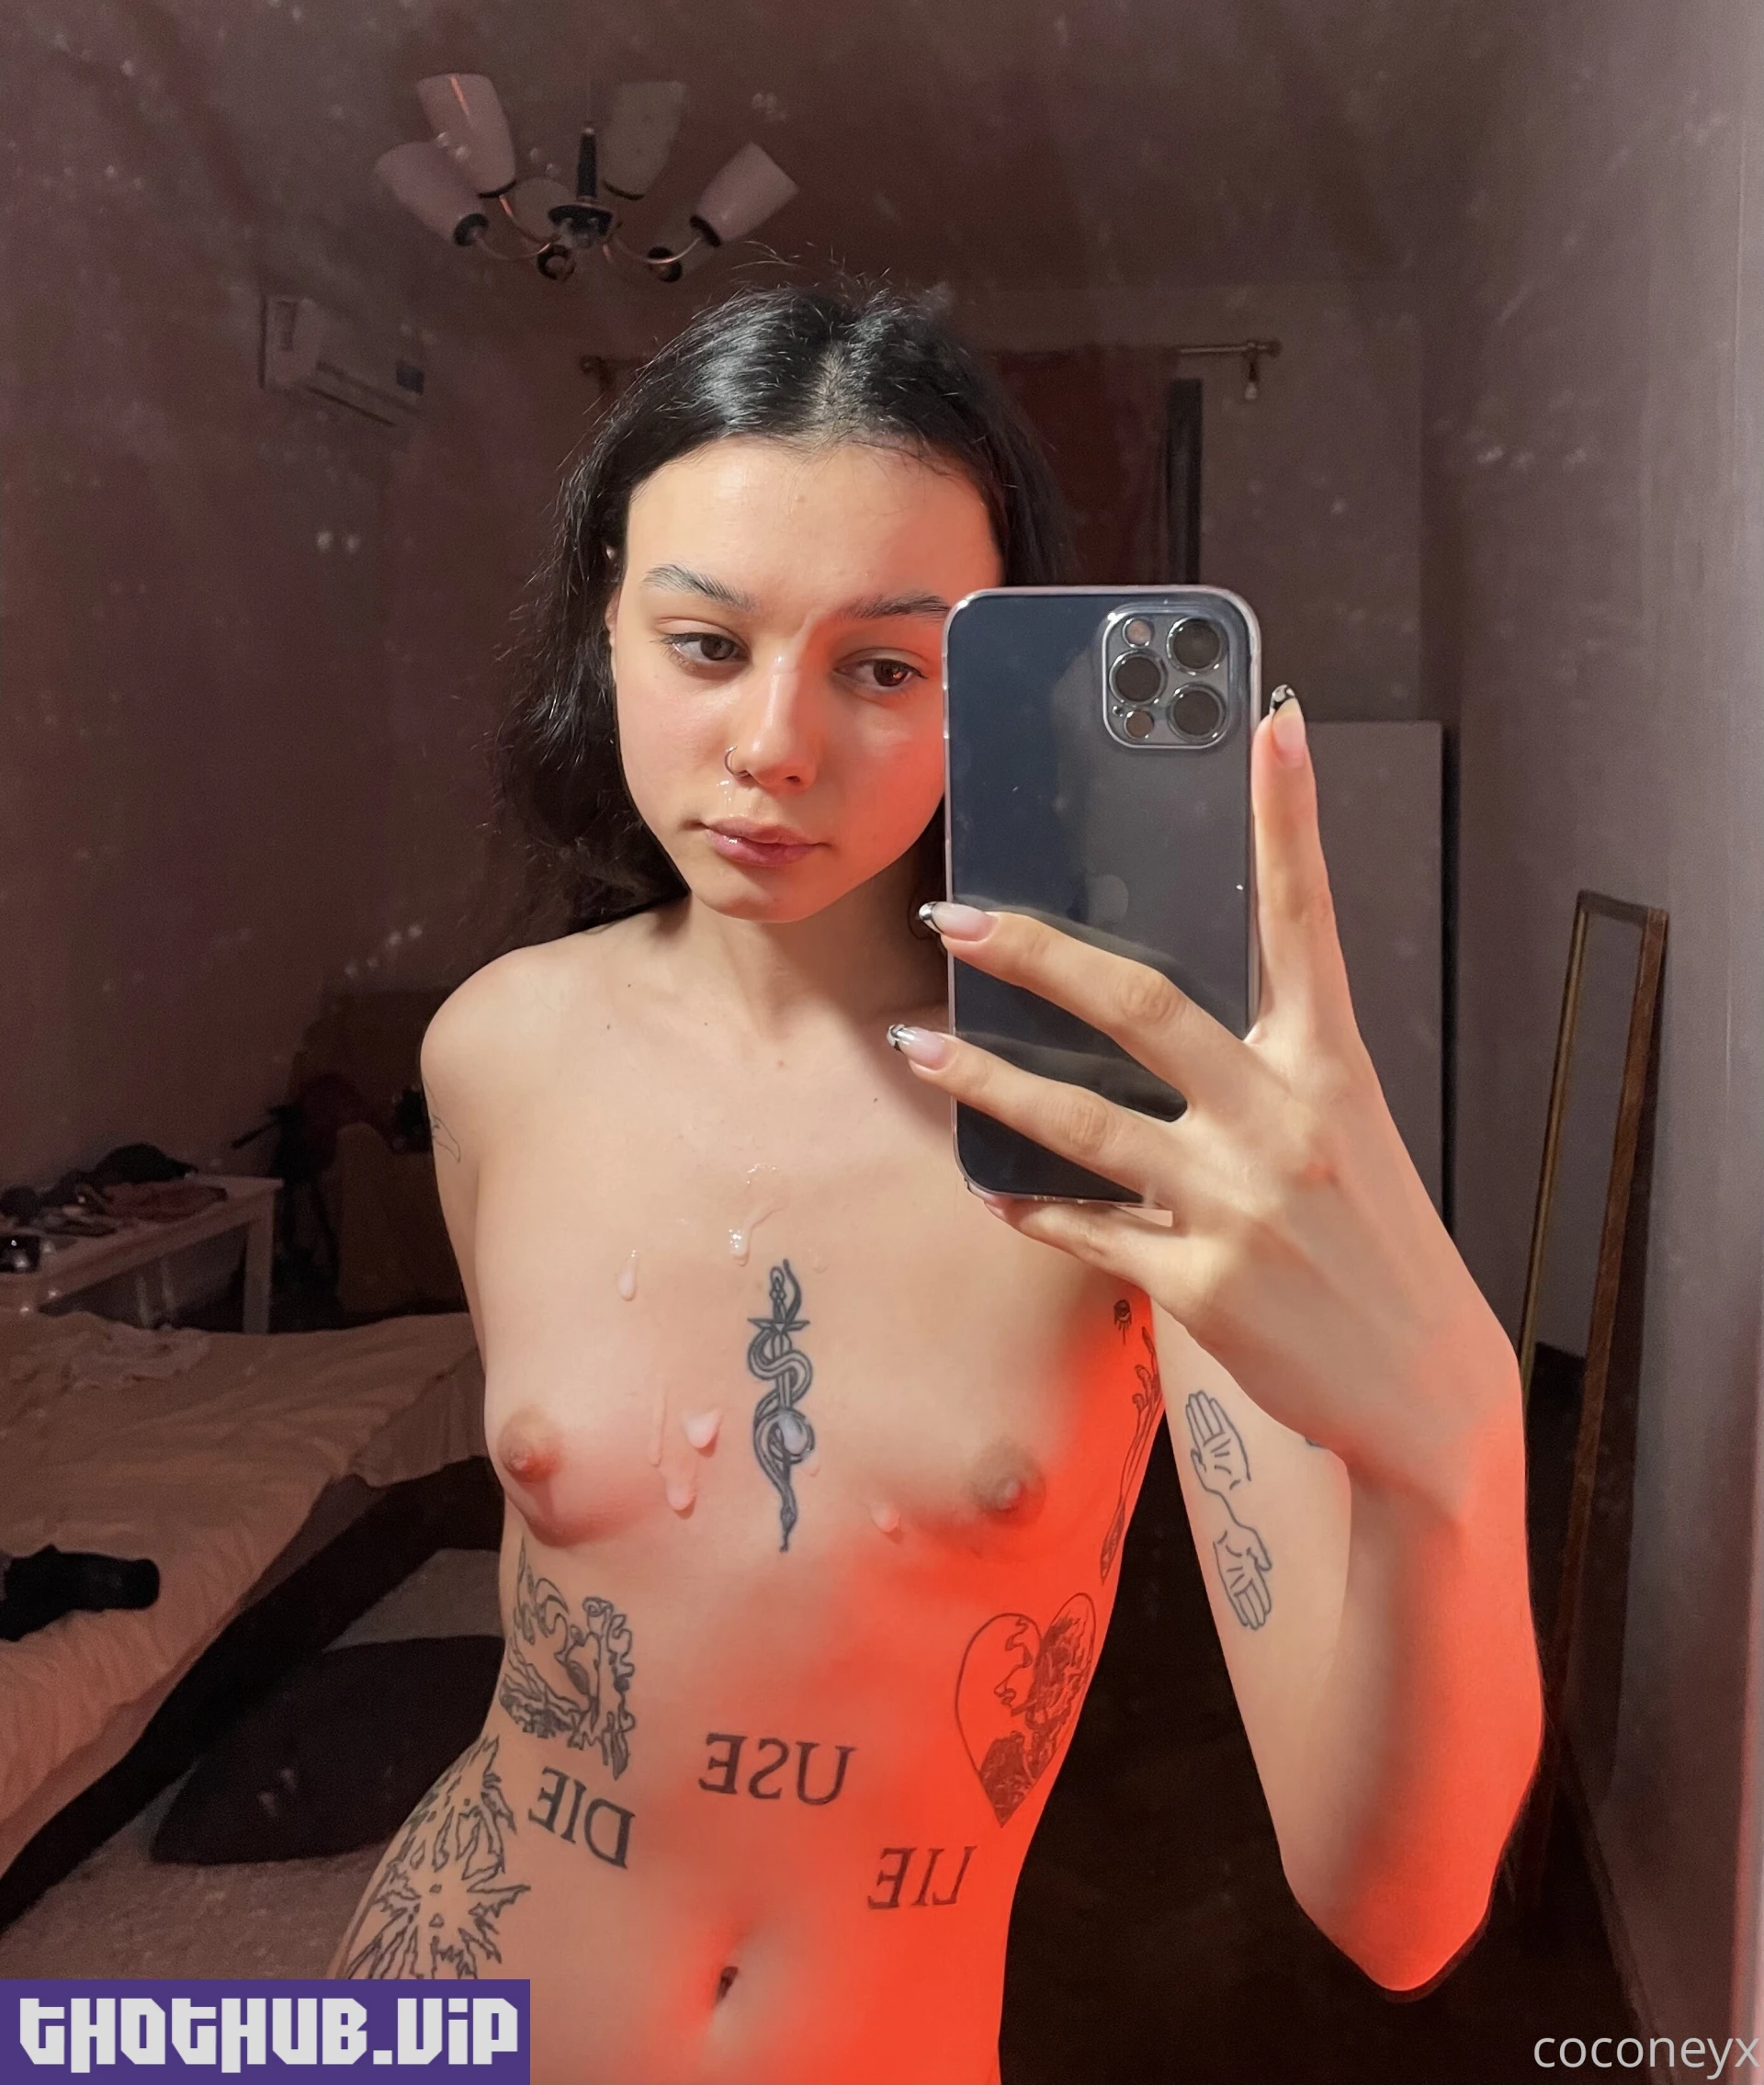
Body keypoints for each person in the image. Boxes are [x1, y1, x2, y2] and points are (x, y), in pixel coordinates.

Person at [330, 286, 1541, 2085]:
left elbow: (1401, 1908)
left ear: (991, 695)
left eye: (884, 668)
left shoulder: (1124, 1130)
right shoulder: (494, 1052)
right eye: (705, 641)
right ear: (609, 624)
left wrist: (1455, 1435)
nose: (775, 745)